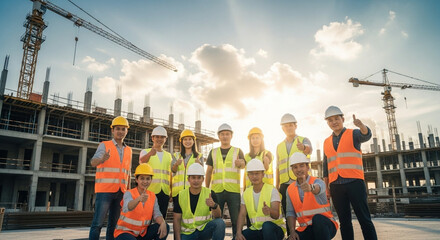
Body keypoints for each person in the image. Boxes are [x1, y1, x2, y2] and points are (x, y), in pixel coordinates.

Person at [323, 106, 377, 240]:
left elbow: (366, 135)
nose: (334, 122)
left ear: (343, 119)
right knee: (345, 223)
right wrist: (326, 186)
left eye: (336, 118)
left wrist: (362, 126)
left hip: (355, 183)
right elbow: (326, 166)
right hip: (336, 185)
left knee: (364, 219)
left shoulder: (353, 134)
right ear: (327, 123)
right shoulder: (326, 142)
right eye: (330, 120)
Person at [89, 116, 132, 240]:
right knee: (97, 224)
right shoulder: (104, 145)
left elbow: (128, 172)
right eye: (117, 129)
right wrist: (102, 159)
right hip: (105, 191)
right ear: (112, 130)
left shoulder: (128, 150)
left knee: (114, 225)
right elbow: (93, 162)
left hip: (121, 192)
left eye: (123, 129)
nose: (120, 131)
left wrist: (128, 192)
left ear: (126, 131)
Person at [205, 123, 245, 238]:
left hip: (234, 191)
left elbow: (243, 165)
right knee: (217, 219)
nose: (225, 136)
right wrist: (207, 189)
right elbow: (209, 172)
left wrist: (241, 163)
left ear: (231, 136)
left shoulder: (238, 151)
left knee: (236, 219)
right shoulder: (213, 152)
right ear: (219, 136)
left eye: (227, 134)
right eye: (222, 134)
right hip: (217, 191)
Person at [286, 152, 338, 240]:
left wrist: (311, 187)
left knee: (317, 219)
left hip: (326, 226)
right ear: (292, 170)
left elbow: (319, 188)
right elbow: (290, 212)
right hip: (306, 229)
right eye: (295, 167)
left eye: (301, 165)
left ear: (307, 167)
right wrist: (292, 232)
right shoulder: (290, 189)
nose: (298, 169)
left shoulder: (318, 182)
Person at [276, 113, 312, 235]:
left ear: (295, 126)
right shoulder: (279, 146)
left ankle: (308, 234)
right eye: (286, 126)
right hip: (285, 184)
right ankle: (291, 235)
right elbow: (277, 166)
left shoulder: (303, 140)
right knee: (288, 213)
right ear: (282, 129)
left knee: (306, 210)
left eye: (291, 125)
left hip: (302, 182)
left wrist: (304, 148)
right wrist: (277, 185)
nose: (288, 128)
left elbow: (309, 149)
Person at [114, 163, 169, 240]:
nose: (145, 181)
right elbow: (127, 207)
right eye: (142, 178)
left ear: (151, 180)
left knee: (165, 226)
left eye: (148, 179)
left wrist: (162, 222)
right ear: (137, 179)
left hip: (142, 233)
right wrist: (138, 199)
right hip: (124, 233)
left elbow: (157, 214)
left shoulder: (153, 196)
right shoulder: (129, 193)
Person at [236, 159, 286, 240]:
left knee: (267, 226)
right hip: (257, 229)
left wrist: (269, 211)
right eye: (251, 174)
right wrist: (238, 233)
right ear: (248, 176)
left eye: (257, 173)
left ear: (263, 174)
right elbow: (242, 215)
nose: (254, 176)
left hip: (275, 229)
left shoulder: (272, 190)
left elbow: (276, 214)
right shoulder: (246, 193)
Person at [173, 163, 225, 240]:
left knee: (220, 223)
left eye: (199, 178)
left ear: (203, 179)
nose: (196, 181)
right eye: (193, 178)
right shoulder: (180, 195)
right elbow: (176, 219)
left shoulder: (210, 193)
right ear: (188, 179)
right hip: (187, 234)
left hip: (203, 231)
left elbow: (218, 216)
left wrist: (214, 206)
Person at [139, 126, 173, 218]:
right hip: (149, 191)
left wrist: (171, 191)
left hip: (164, 191)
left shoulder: (169, 156)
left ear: (165, 139)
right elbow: (142, 162)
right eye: (157, 137)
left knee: (161, 219)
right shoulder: (145, 151)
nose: (159, 139)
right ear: (152, 138)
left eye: (162, 137)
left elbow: (170, 175)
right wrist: (150, 153)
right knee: (147, 219)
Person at [171, 129, 203, 203]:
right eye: (185, 139)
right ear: (181, 141)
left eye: (190, 139)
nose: (187, 141)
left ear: (193, 141)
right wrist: (176, 164)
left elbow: (202, 173)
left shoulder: (199, 156)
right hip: (178, 192)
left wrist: (200, 165)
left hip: (193, 191)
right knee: (177, 214)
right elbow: (173, 170)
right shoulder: (176, 155)